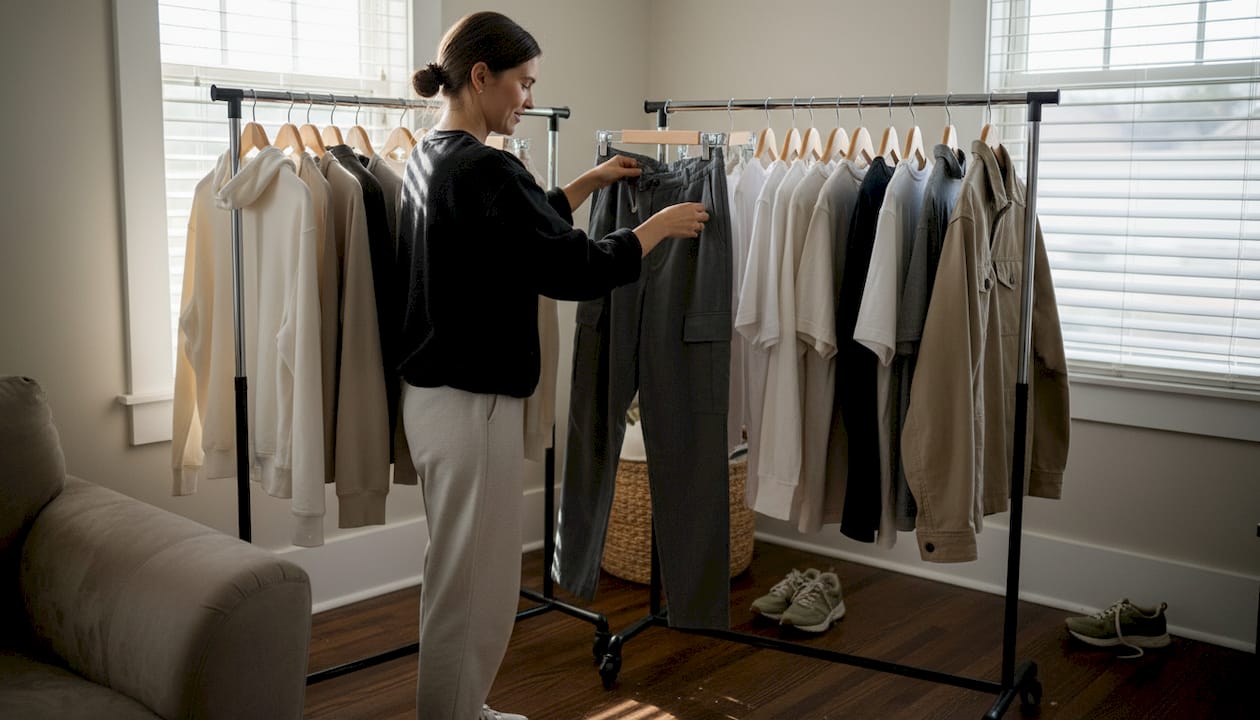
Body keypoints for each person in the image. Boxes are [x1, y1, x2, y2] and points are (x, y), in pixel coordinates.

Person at [395, 11, 709, 720]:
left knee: (458, 574)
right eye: (524, 83)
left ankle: (462, 709)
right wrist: (657, 227)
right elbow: (569, 265)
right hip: (470, 400)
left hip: (436, 397)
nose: (529, 99)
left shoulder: (432, 155)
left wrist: (591, 183)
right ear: (482, 77)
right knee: (471, 582)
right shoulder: (484, 165)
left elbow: (516, 228)